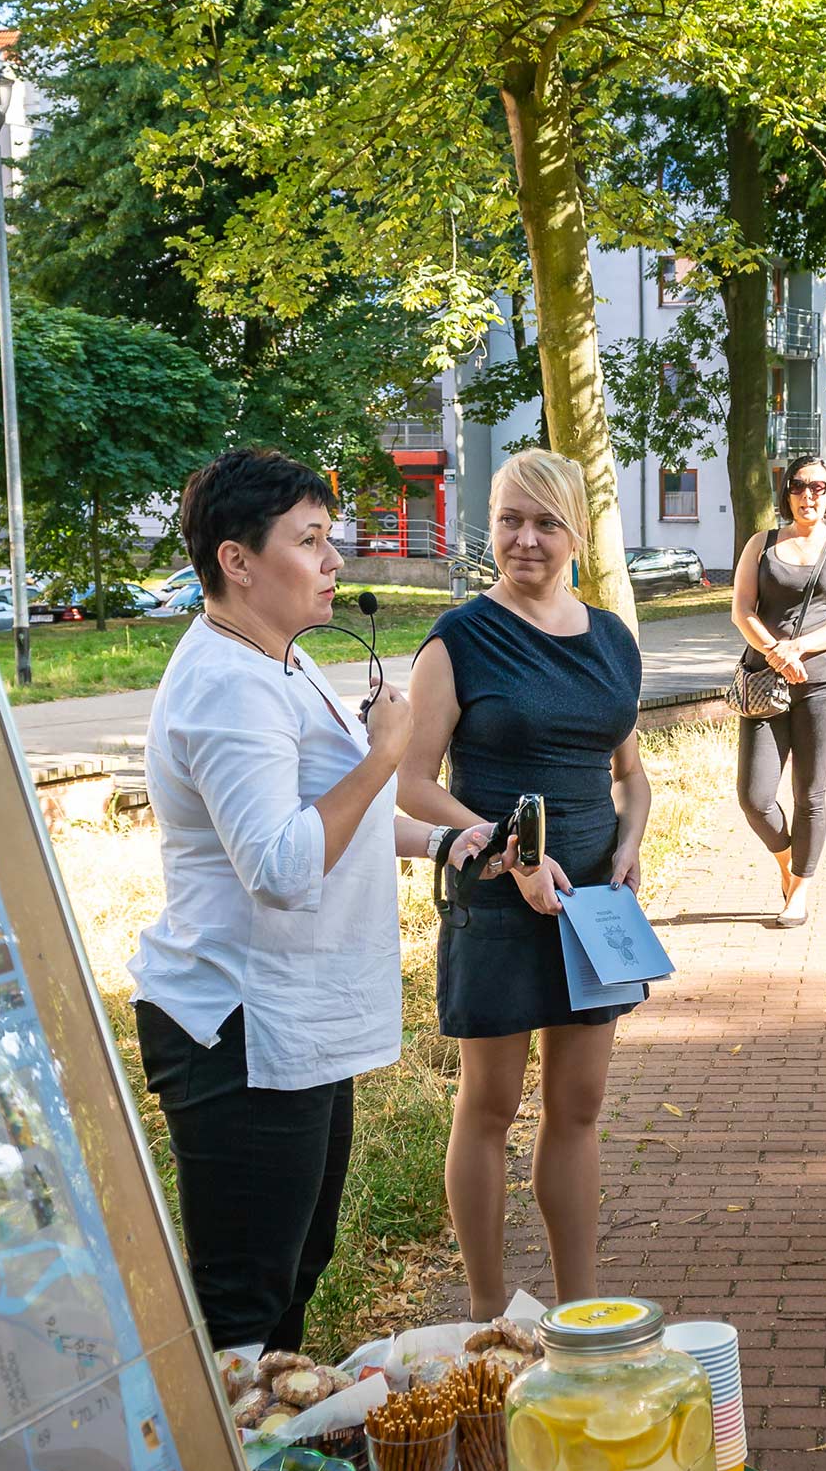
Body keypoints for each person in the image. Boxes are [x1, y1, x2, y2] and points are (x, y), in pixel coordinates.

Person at [130, 448, 474, 1357]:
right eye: (310, 540)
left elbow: (339, 824)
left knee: (294, 1274)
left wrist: (447, 840)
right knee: (246, 1304)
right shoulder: (226, 686)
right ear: (236, 561)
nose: (335, 561)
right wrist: (381, 756)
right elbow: (284, 864)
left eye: (330, 539)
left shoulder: (279, 661)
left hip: (292, 1024)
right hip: (237, 1030)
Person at [400, 448, 651, 1318]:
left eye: (546, 522)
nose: (526, 539)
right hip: (501, 897)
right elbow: (412, 782)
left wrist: (631, 839)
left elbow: (630, 771)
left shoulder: (613, 637)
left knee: (578, 1108)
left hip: (591, 908)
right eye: (510, 519)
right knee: (491, 1104)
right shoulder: (460, 637)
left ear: (577, 531)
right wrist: (508, 850)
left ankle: (582, 1316)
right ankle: (487, 1313)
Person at [730, 456, 826, 928]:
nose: (808, 495)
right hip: (764, 680)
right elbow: (742, 610)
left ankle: (801, 893)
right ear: (786, 492)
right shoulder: (762, 544)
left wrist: (800, 648)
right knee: (754, 796)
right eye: (798, 486)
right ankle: (789, 867)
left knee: (809, 793)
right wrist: (776, 652)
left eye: (818, 487)